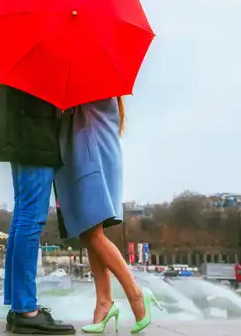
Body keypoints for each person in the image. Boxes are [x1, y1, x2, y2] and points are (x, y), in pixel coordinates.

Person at [54, 97, 160, 334]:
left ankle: (136, 294)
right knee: (89, 233)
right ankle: (104, 302)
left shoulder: (89, 85)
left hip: (91, 160)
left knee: (92, 236)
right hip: (93, 156)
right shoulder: (100, 85)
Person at [0, 63, 75, 334]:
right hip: (35, 135)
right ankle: (25, 308)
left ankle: (20, 306)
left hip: (20, 133)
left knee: (23, 216)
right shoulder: (43, 47)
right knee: (31, 219)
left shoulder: (18, 42)